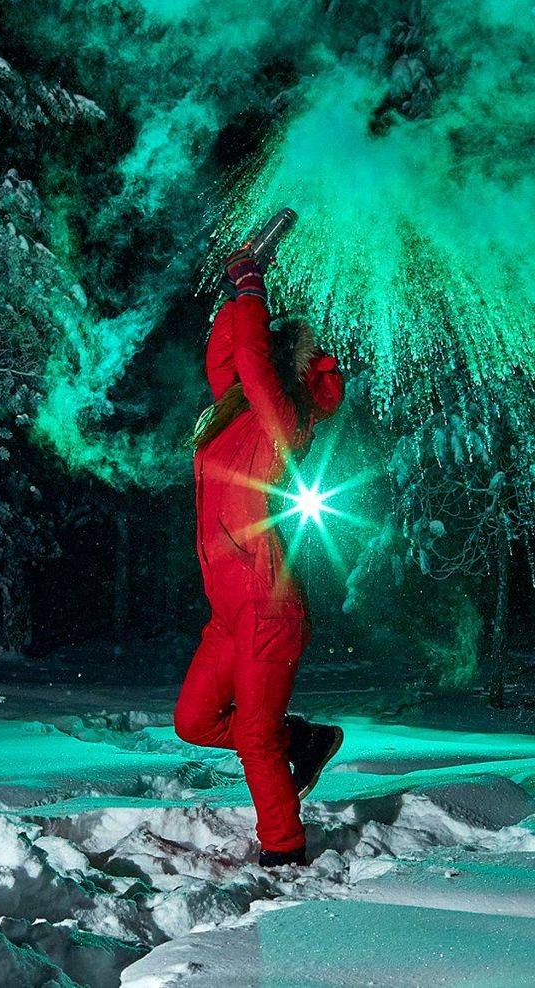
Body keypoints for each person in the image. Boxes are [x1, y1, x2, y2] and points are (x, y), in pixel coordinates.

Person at [173, 242, 345, 867]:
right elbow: (227, 355)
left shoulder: (282, 419)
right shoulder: (234, 415)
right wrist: (234, 298)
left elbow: (247, 356)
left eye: (267, 357)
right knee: (194, 721)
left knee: (252, 733)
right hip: (227, 613)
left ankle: (285, 849)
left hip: (269, 609)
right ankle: (302, 740)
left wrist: (253, 284)